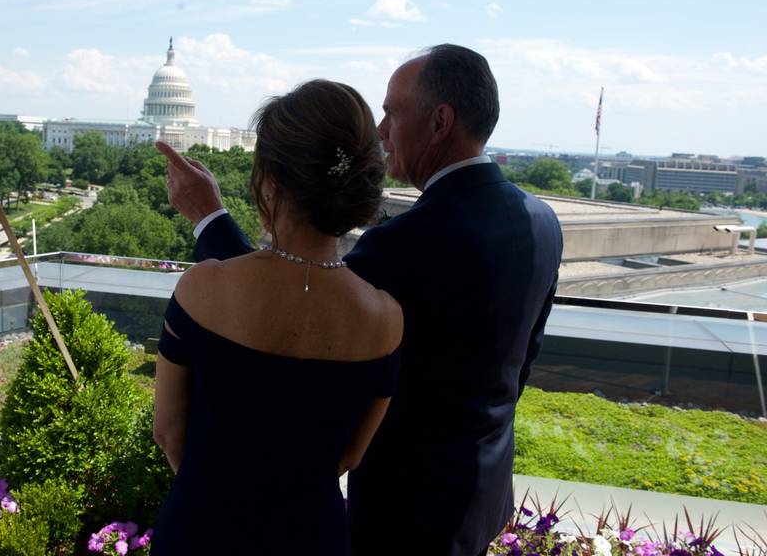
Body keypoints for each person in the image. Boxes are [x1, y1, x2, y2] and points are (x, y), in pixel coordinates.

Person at [158, 44, 564, 556]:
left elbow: (283, 304)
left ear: (440, 121)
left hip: (402, 507)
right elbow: (521, 362)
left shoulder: (403, 245)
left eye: (392, 111)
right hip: (482, 494)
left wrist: (210, 219)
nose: (381, 130)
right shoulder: (542, 223)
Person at [152, 80, 404, 556]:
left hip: (201, 529)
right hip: (312, 535)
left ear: (269, 179)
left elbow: (168, 431)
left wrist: (220, 502)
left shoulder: (203, 288)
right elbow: (349, 455)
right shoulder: (385, 319)